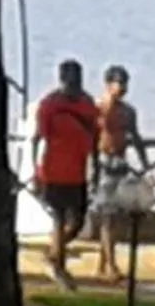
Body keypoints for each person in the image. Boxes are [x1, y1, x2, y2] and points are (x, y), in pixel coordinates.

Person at [30, 58, 101, 289]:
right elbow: (38, 138)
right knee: (59, 219)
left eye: (77, 78)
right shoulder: (49, 104)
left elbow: (95, 138)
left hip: (78, 172)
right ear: (61, 79)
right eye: (69, 78)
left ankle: (53, 254)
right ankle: (59, 267)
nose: (74, 83)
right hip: (53, 171)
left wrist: (96, 169)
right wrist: (35, 171)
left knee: (78, 222)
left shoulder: (88, 104)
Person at [93, 65, 147, 279]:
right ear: (108, 84)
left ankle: (102, 263)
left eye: (125, 83)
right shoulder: (97, 109)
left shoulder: (128, 111)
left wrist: (145, 164)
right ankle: (111, 266)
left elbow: (135, 137)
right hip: (102, 163)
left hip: (121, 163)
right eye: (119, 83)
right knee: (107, 216)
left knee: (114, 216)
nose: (123, 88)